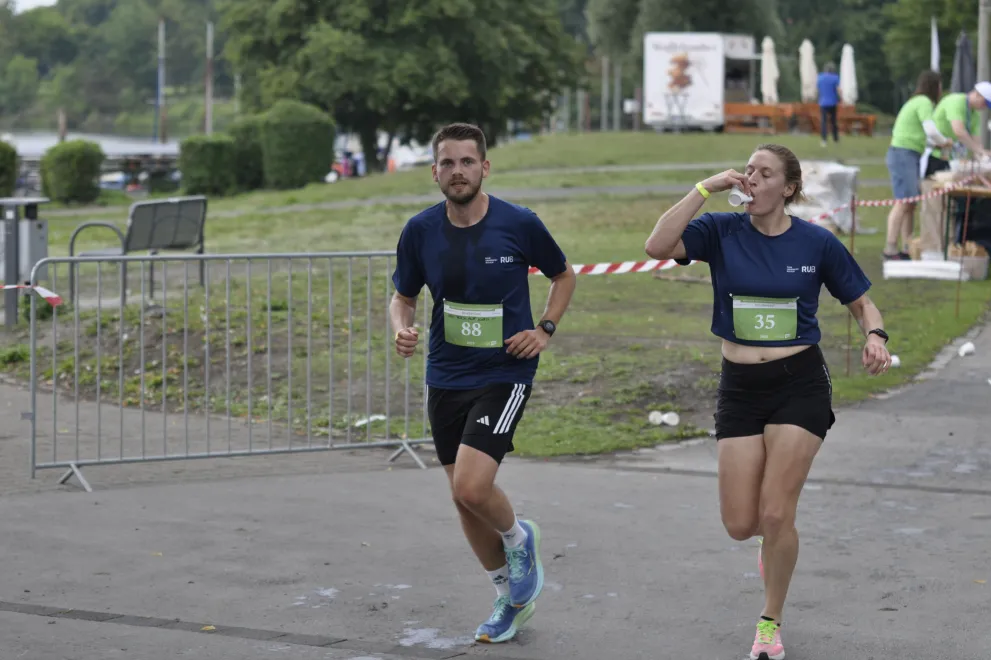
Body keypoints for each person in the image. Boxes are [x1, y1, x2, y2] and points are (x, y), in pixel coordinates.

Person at [644, 144, 891, 660]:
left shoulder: (816, 243)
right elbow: (657, 245)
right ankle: (768, 543)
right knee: (741, 523)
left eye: (765, 173)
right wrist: (703, 189)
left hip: (798, 383)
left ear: (789, 188)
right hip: (739, 387)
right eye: (748, 170)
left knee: (778, 514)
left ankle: (769, 620)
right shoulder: (720, 232)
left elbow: (862, 301)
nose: (751, 179)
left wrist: (877, 337)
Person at [390, 122, 577, 644]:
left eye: (467, 161)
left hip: (504, 371)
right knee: (461, 497)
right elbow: (403, 296)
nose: (457, 171)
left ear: (484, 167)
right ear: (434, 172)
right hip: (445, 372)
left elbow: (564, 275)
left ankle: (519, 539)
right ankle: (507, 598)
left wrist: (544, 330)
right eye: (447, 163)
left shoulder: (519, 223)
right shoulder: (420, 231)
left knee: (473, 485)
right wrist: (401, 327)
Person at [882, 70, 950, 260]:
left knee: (910, 203)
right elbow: (931, 130)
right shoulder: (924, 103)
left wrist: (938, 142)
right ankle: (890, 248)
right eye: (940, 86)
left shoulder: (915, 102)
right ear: (935, 87)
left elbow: (921, 135)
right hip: (903, 154)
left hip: (906, 153)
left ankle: (907, 246)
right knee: (903, 202)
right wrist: (945, 142)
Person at [932, 80, 991, 162]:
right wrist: (980, 151)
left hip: (950, 153)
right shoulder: (956, 101)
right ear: (977, 94)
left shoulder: (975, 113)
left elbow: (976, 140)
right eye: (985, 103)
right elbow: (959, 131)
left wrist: (982, 155)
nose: (985, 107)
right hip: (934, 151)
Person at [816, 62, 841, 147]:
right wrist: (842, 98)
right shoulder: (835, 78)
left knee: (824, 122)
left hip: (823, 102)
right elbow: (838, 90)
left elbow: (818, 90)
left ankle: (824, 140)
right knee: (833, 121)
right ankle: (835, 139)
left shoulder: (820, 77)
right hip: (832, 102)